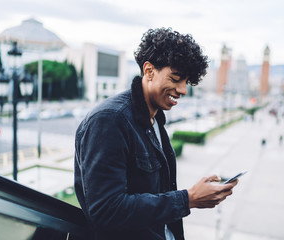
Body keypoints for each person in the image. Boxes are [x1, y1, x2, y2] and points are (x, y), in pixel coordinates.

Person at [74, 28, 238, 240]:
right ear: (149, 71)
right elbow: (106, 210)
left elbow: (154, 195)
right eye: (176, 78)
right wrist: (188, 199)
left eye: (186, 82)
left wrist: (195, 194)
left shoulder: (156, 119)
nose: (183, 90)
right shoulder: (110, 120)